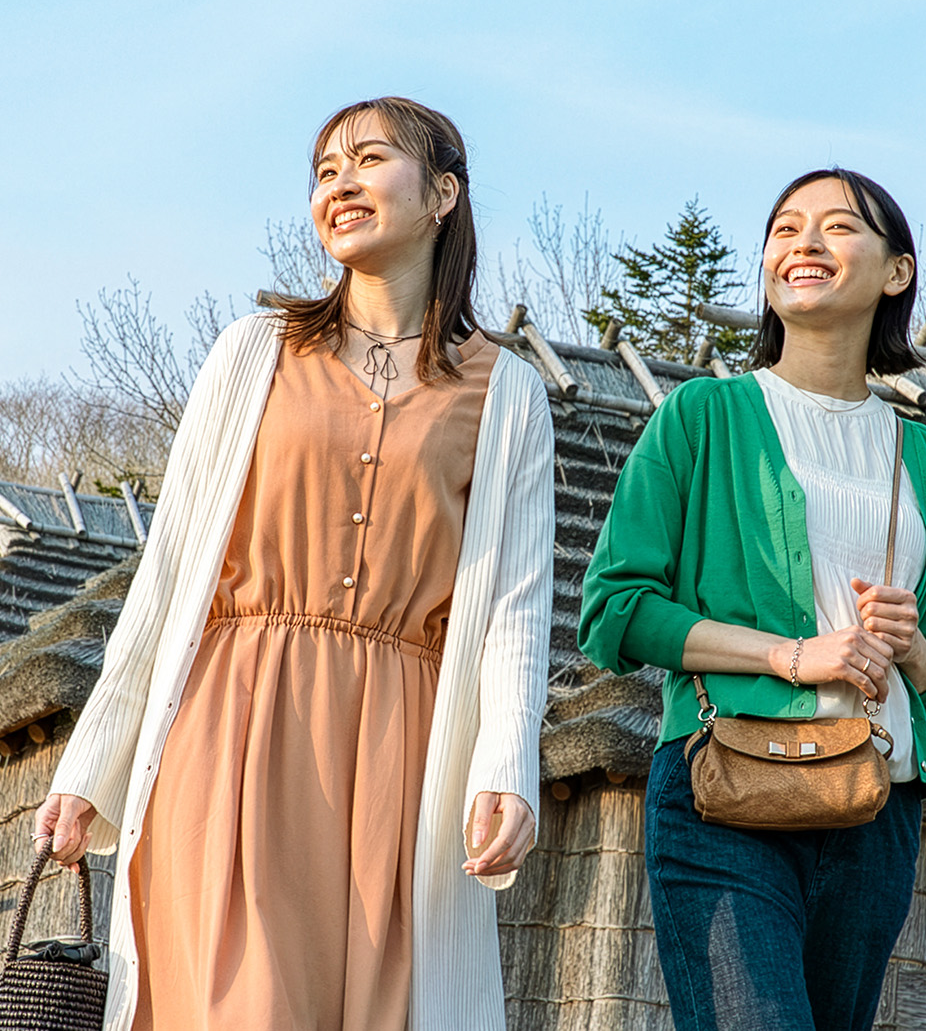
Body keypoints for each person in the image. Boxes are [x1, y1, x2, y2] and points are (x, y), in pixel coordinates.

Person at [33, 96, 554, 1031]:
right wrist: (91, 765)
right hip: (230, 726)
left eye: (368, 160)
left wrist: (506, 765)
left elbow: (516, 609)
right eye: (323, 171)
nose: (339, 184)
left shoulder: (507, 392)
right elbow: (166, 575)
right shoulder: (253, 353)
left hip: (404, 753)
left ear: (443, 193)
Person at [578, 169, 926, 1031]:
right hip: (728, 788)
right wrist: (793, 656)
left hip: (877, 807)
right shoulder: (701, 417)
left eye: (837, 227)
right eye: (786, 228)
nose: (804, 243)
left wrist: (911, 648)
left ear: (896, 271)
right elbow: (613, 611)